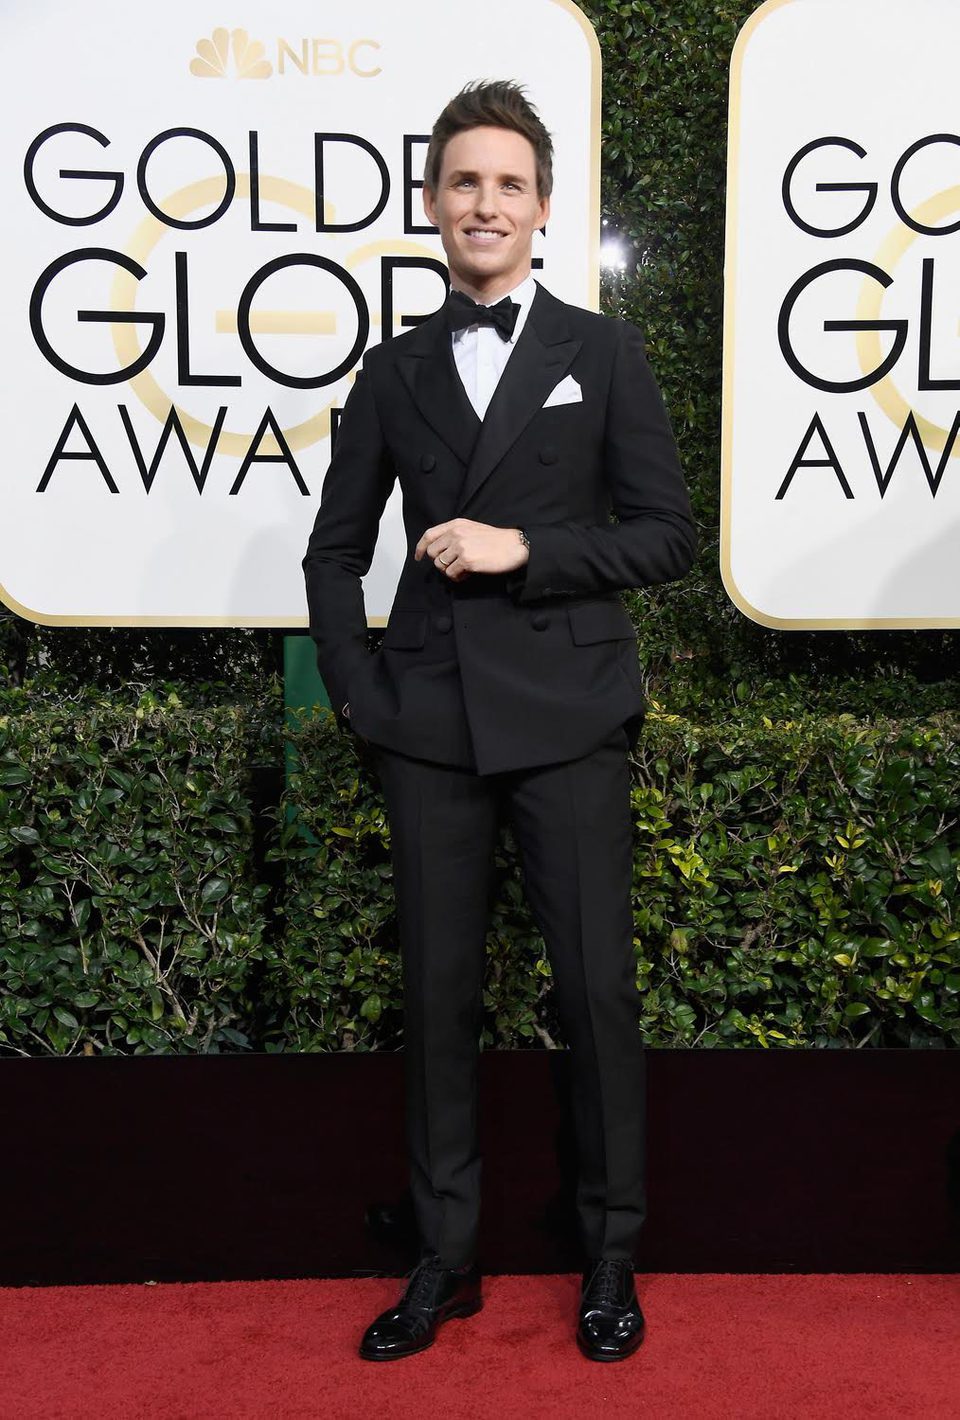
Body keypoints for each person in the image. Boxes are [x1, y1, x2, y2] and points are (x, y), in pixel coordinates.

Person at [302, 80, 696, 1362]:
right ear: (432, 205)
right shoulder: (396, 367)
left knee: (595, 992)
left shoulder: (604, 352)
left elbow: (665, 539)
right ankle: (445, 1257)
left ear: (541, 210)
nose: (486, 203)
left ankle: (611, 1253)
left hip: (571, 714)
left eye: (508, 184)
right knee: (437, 1000)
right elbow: (332, 550)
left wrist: (525, 544)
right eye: (463, 182)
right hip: (431, 725)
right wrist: (364, 691)